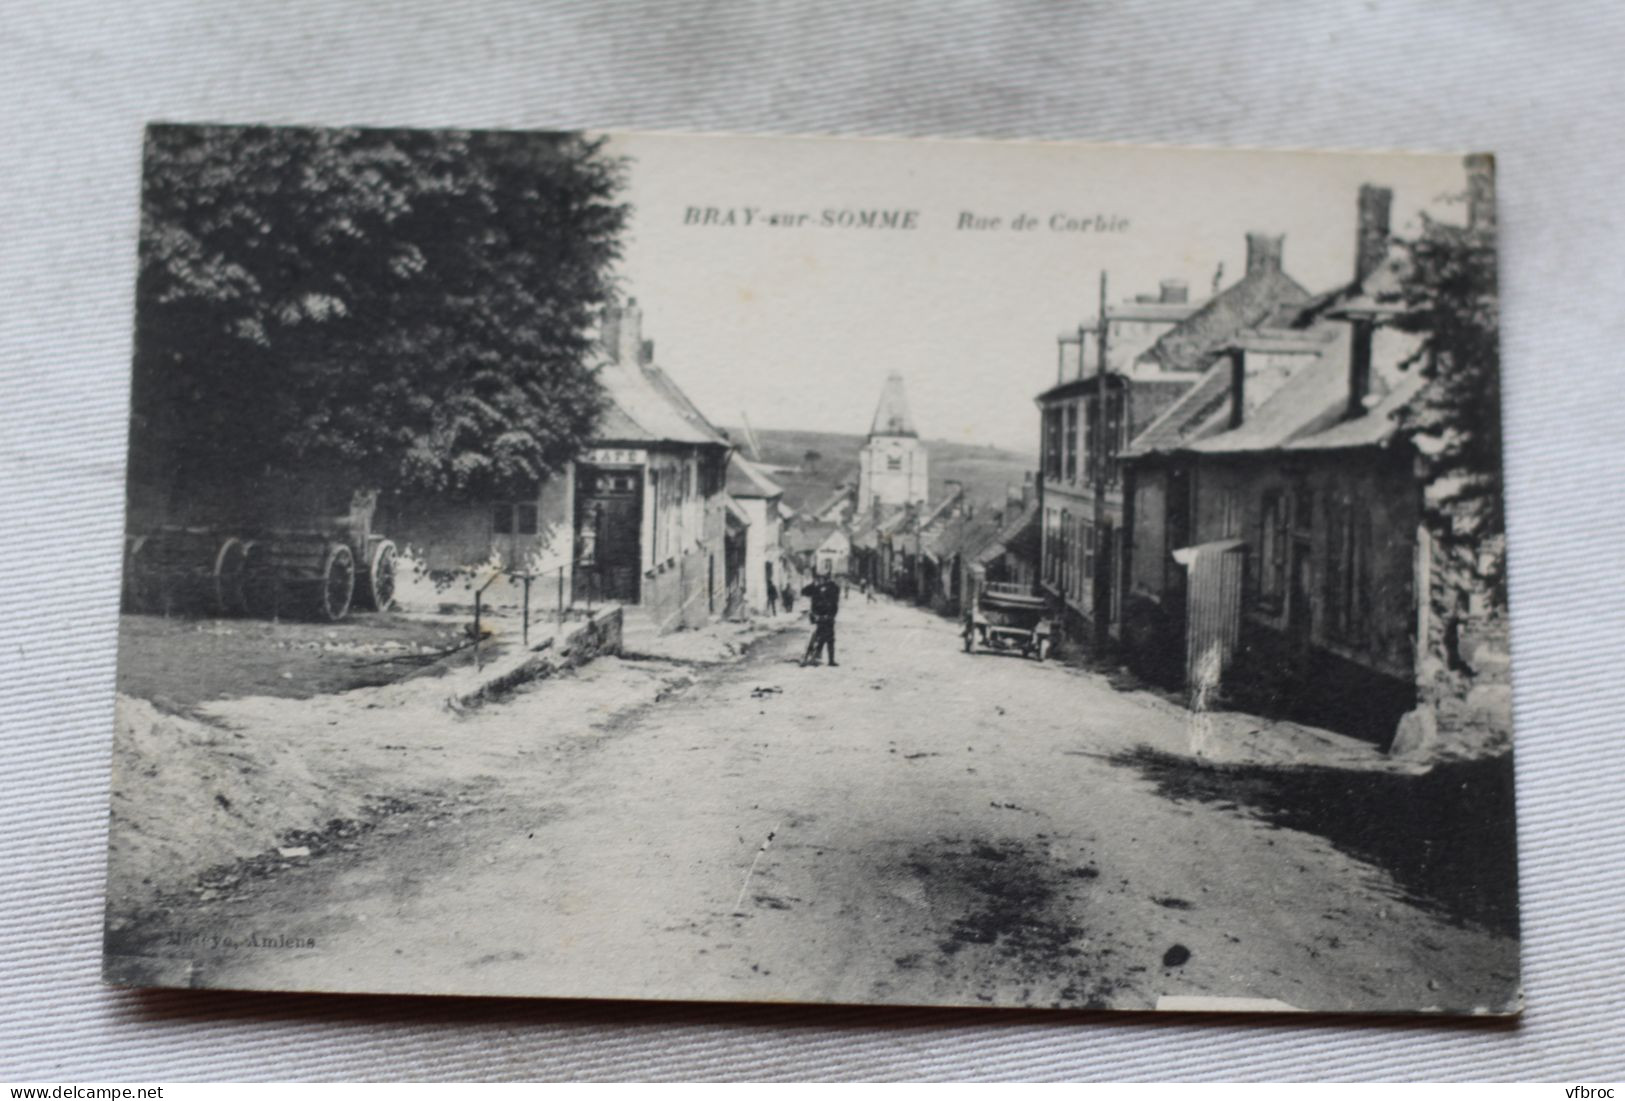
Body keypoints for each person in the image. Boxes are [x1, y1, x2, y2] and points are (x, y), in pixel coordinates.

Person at [801, 571, 841, 667]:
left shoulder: (831, 588)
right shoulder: (815, 588)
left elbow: (835, 598)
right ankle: (813, 658)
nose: (821, 581)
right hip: (819, 617)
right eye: (819, 579)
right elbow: (804, 592)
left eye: (823, 579)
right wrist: (814, 585)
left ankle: (828, 660)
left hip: (828, 617)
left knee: (828, 639)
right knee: (819, 638)